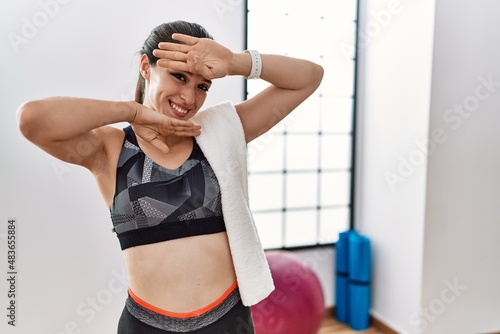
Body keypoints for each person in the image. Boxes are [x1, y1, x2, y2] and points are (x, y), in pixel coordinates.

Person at [17, 20, 323, 333]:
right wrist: (131, 112)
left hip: (227, 321)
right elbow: (32, 119)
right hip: (147, 326)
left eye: (202, 86)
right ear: (145, 67)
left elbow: (309, 78)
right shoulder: (108, 149)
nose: (189, 98)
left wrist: (235, 62)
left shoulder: (218, 132)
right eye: (179, 76)